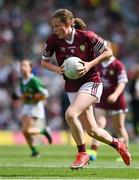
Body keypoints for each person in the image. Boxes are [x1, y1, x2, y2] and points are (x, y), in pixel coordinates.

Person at [41, 9, 131, 169]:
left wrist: (90, 64)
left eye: (57, 26)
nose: (54, 30)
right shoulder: (53, 40)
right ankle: (118, 144)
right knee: (92, 130)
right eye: (52, 26)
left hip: (92, 82)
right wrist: (58, 69)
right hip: (72, 86)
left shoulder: (87, 36)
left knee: (70, 114)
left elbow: (108, 52)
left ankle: (82, 154)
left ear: (68, 23)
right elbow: (44, 62)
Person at [87, 41, 129, 161]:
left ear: (111, 49)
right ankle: (93, 151)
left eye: (107, 47)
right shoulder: (98, 65)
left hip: (117, 100)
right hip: (102, 99)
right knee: (99, 124)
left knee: (119, 127)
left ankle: (125, 150)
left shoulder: (117, 64)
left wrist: (115, 95)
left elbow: (122, 82)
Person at [18, 59, 52, 157]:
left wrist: (35, 97)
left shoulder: (34, 80)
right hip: (26, 105)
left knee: (26, 130)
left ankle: (44, 131)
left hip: (35, 106)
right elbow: (23, 95)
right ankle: (34, 151)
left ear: (30, 68)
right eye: (21, 65)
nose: (22, 67)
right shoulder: (22, 81)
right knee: (25, 131)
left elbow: (45, 93)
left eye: (25, 65)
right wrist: (23, 97)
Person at [129, 65, 139, 137]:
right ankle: (136, 135)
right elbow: (130, 90)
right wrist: (134, 94)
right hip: (135, 103)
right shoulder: (133, 81)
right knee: (135, 120)